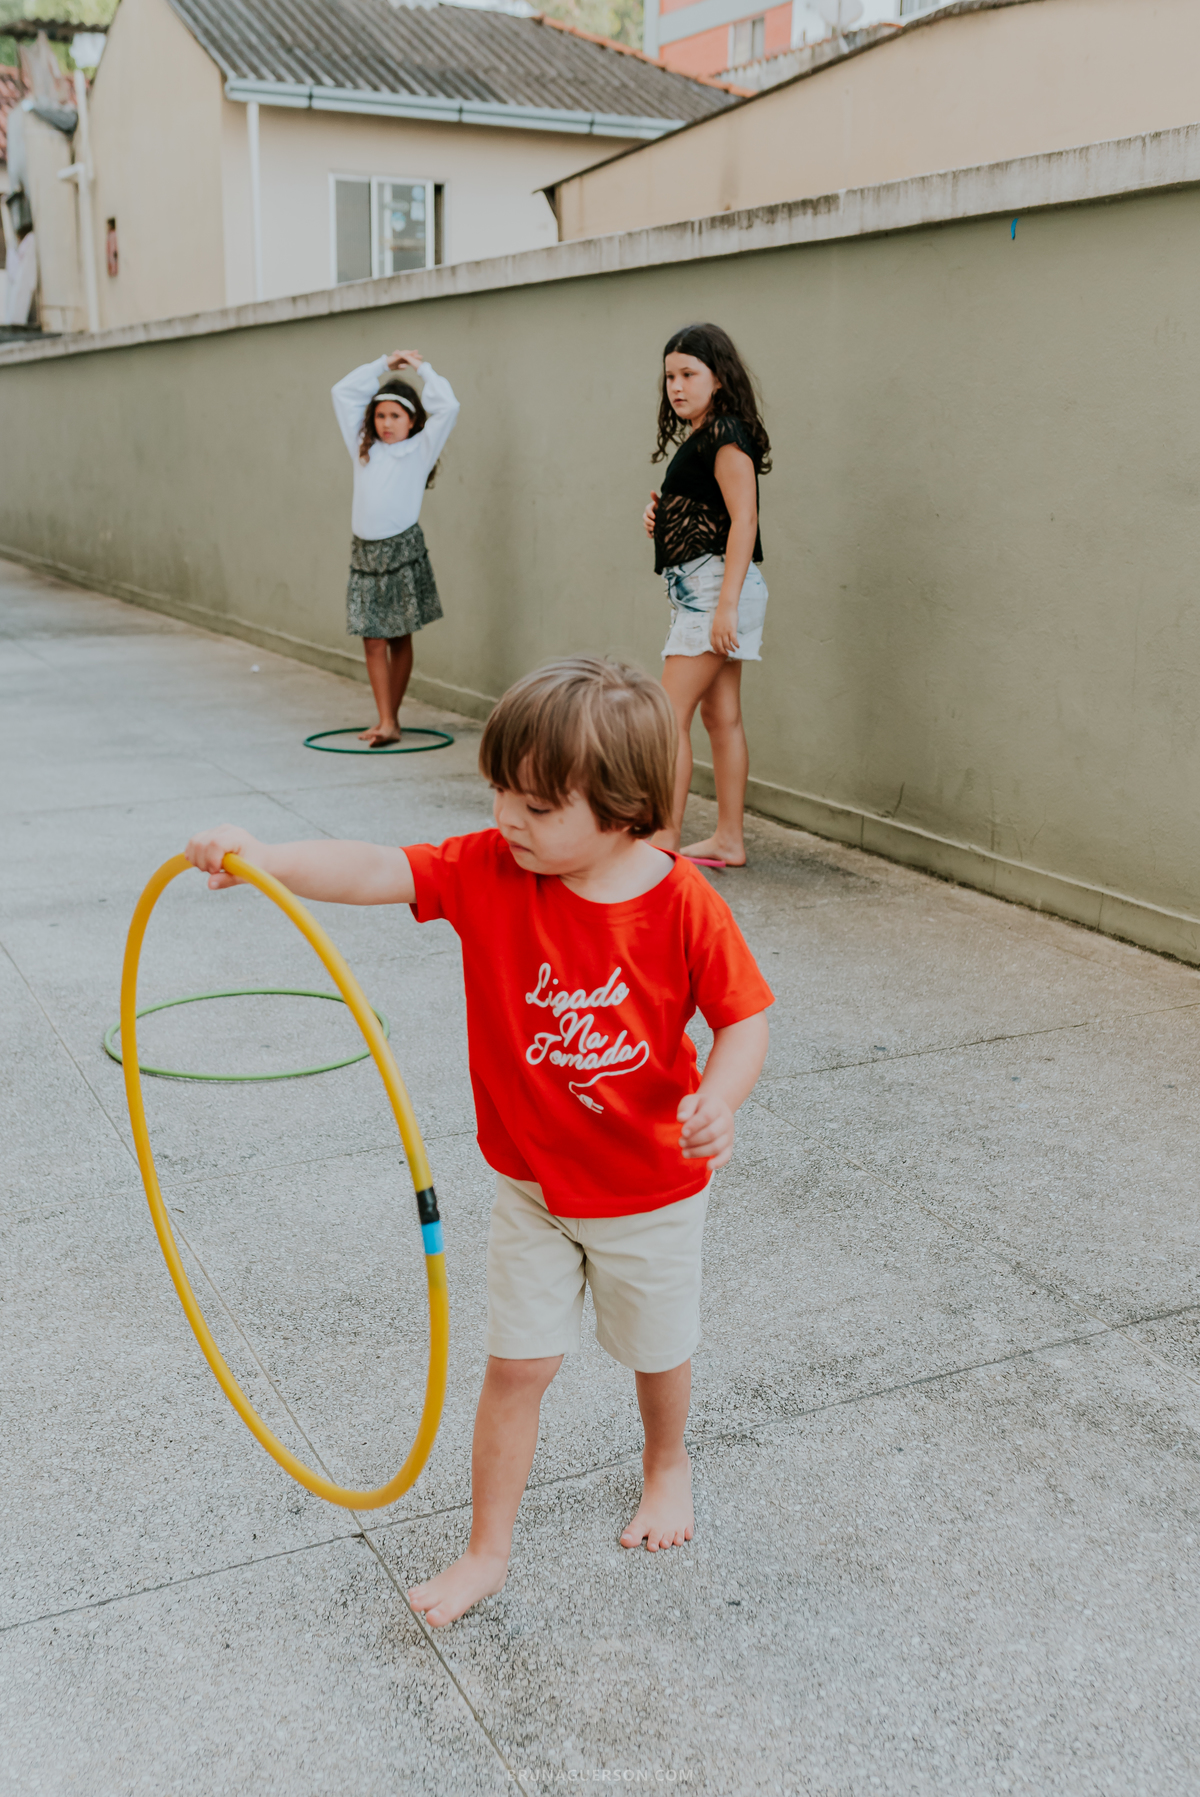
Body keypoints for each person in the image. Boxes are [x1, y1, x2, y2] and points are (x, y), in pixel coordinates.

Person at [184, 657, 771, 1628]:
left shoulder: (679, 906)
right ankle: (485, 1550)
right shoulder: (493, 872)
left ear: (623, 810)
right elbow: (380, 868)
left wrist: (722, 1091)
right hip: (533, 1190)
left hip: (649, 1192)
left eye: (538, 806)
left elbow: (744, 1018)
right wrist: (267, 857)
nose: (507, 817)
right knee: (516, 1369)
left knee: (656, 1352)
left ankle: (667, 1464)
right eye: (498, 790)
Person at [643, 323, 772, 869]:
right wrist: (661, 516)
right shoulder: (707, 434)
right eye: (671, 376)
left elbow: (745, 520)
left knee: (667, 715)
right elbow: (712, 514)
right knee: (722, 719)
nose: (677, 386)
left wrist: (725, 607)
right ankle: (727, 840)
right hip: (707, 587)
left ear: (718, 378)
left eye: (689, 374)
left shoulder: (724, 435)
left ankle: (663, 839)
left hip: (713, 591)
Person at [331, 349, 460, 745]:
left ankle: (393, 720)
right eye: (380, 415)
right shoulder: (361, 446)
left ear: (412, 420)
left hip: (401, 550)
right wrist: (384, 364)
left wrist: (421, 368)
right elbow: (342, 391)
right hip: (365, 553)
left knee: (400, 636)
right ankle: (385, 718)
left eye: (395, 416)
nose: (386, 423)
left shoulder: (420, 449)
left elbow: (449, 404)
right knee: (372, 638)